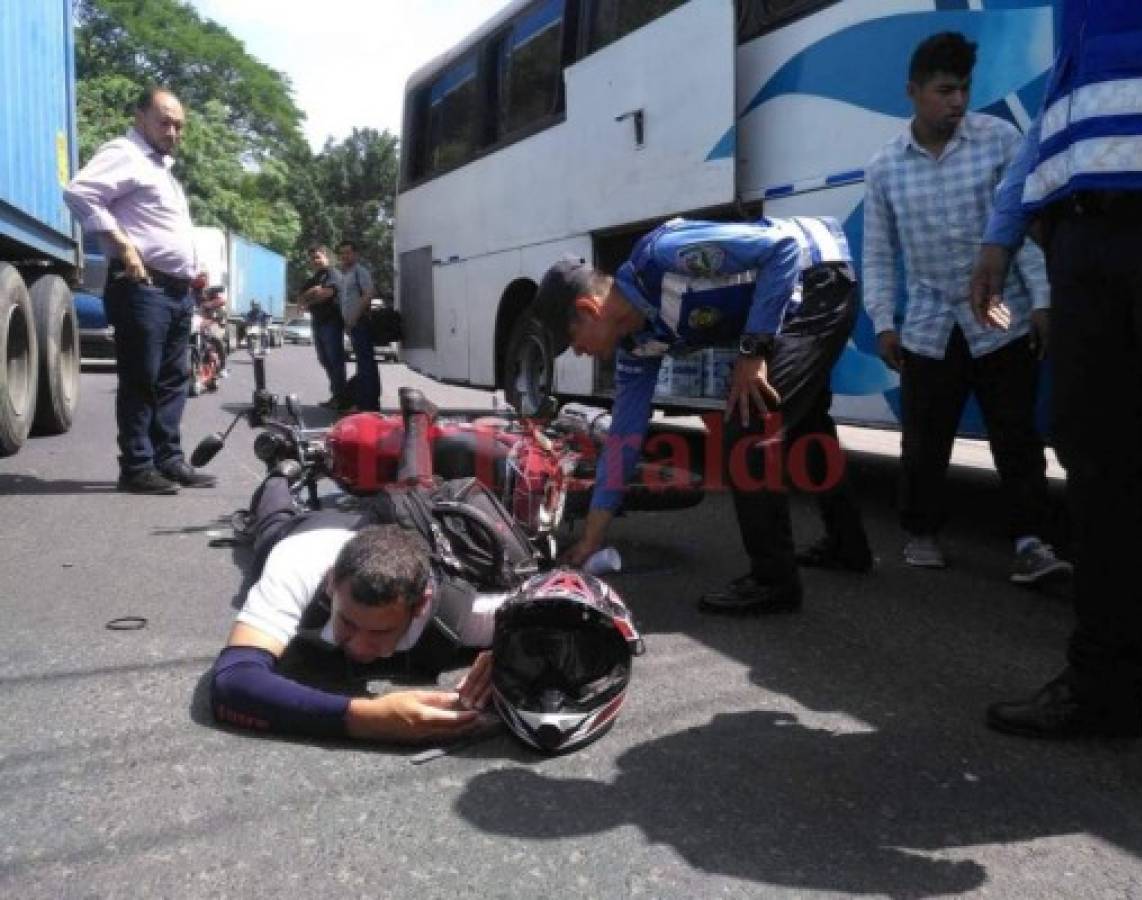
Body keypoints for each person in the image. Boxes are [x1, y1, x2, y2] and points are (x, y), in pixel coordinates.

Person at [970, 1, 1142, 739]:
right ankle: (1102, 689)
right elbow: (1055, 105)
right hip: (1086, 238)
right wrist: (1001, 231)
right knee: (1102, 475)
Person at [532, 217, 873, 615]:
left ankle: (773, 582)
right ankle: (848, 546)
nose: (577, 352)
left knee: (748, 426)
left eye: (572, 341)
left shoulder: (664, 256)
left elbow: (781, 248)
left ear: (588, 309)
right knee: (805, 420)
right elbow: (623, 442)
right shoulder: (638, 348)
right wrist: (591, 539)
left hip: (816, 280)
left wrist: (754, 351)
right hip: (793, 298)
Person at [861, 32, 1070, 584]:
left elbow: (1020, 231)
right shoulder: (885, 167)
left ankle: (1032, 542)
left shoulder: (1000, 141)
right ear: (913, 92)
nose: (957, 101)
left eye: (964, 90)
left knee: (1015, 432)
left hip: (1001, 312)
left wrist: (1043, 301)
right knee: (925, 434)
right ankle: (922, 533)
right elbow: (880, 254)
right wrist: (884, 322)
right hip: (930, 318)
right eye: (945, 90)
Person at [211, 471, 499, 743]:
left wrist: (508, 651)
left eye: (380, 632)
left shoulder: (463, 613)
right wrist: (365, 719)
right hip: (309, 533)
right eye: (348, 623)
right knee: (271, 525)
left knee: (413, 482)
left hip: (388, 526)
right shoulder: (297, 565)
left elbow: (541, 612)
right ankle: (279, 476)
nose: (360, 648)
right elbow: (232, 682)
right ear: (330, 584)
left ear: (421, 605)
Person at [63, 85, 213, 494]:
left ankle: (168, 459)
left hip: (177, 292)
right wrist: (124, 247)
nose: (173, 132)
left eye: (179, 125)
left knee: (173, 380)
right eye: (165, 122)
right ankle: (137, 466)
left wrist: (193, 269)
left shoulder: (160, 168)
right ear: (140, 117)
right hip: (142, 288)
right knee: (141, 379)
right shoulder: (124, 153)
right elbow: (79, 192)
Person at [296, 245, 348, 410]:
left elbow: (326, 293)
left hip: (331, 322)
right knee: (324, 360)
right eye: (312, 258)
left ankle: (341, 398)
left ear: (327, 257)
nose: (315, 261)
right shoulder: (316, 277)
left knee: (335, 360)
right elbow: (300, 296)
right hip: (318, 322)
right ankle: (336, 395)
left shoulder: (333, 274)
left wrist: (309, 299)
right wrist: (312, 292)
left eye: (318, 257)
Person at [336, 240, 380, 412]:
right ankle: (367, 403)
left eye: (348, 252)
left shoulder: (360, 272)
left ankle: (366, 405)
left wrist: (354, 318)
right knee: (363, 364)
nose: (345, 256)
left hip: (361, 323)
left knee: (365, 365)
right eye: (342, 253)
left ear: (355, 254)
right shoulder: (346, 274)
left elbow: (369, 293)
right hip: (353, 324)